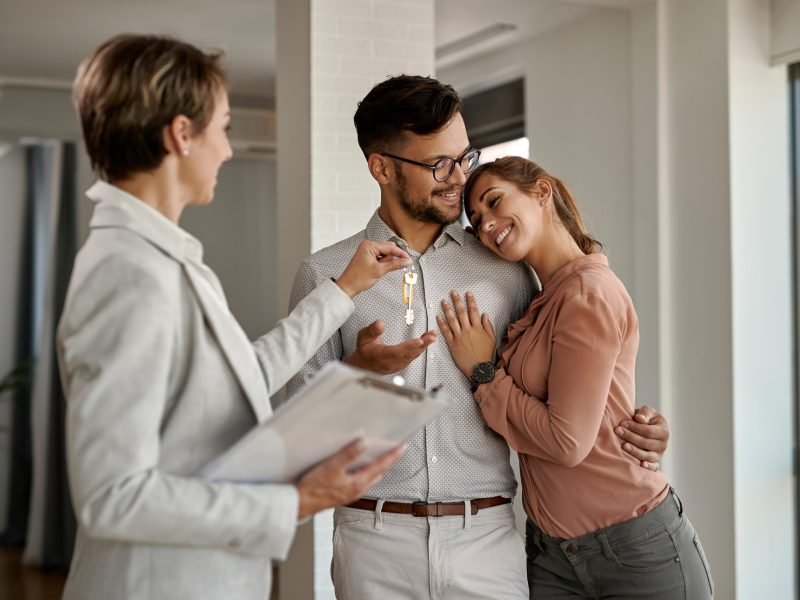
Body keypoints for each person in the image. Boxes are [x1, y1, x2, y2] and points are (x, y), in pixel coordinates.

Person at [287, 75, 672, 599]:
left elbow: (559, 390)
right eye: (437, 164)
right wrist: (355, 375)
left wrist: (638, 425)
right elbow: (301, 439)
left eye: (464, 157)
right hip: (372, 541)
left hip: (488, 541)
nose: (457, 178)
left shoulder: (506, 271)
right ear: (381, 167)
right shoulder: (326, 274)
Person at [57, 34, 410, 600]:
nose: (227, 147)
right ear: (181, 134)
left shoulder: (159, 259)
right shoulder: (127, 274)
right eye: (222, 127)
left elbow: (239, 374)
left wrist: (345, 289)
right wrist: (297, 499)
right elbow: (112, 496)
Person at [437, 156, 714, 598]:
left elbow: (567, 441)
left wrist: (483, 372)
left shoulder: (587, 293)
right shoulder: (543, 297)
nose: (487, 224)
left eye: (494, 202)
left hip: (634, 550)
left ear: (541, 193)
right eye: (478, 220)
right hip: (553, 555)